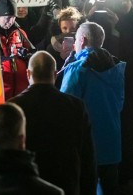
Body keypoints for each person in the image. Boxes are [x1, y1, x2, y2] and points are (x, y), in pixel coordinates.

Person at [10, 51, 96, 195]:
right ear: (55, 74)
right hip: (65, 184)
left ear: (28, 74)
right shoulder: (76, 106)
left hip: (26, 186)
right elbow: (87, 156)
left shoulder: (14, 107)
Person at [60, 22, 126, 195]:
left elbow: (66, 106)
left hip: (86, 144)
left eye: (75, 40)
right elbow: (119, 104)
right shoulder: (116, 67)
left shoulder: (78, 68)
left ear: (82, 40)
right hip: (111, 141)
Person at [0, 0, 34, 99]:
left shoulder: (20, 32)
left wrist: (26, 55)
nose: (10, 21)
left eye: (13, 17)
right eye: (7, 17)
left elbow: (32, 53)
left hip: (21, 89)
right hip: (0, 89)